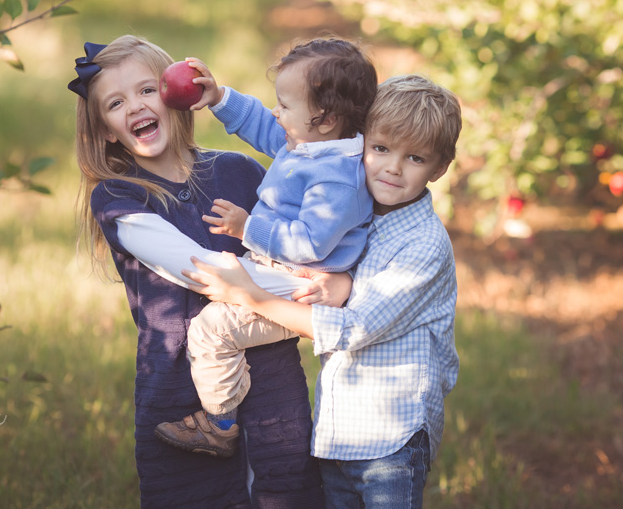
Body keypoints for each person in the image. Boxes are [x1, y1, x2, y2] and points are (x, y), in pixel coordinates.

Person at [181, 73, 462, 509]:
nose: (392, 167)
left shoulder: (422, 243)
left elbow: (352, 329)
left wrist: (249, 296)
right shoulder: (354, 201)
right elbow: (284, 133)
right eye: (382, 148)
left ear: (440, 168)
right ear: (360, 141)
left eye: (415, 158)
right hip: (339, 428)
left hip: (392, 436)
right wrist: (221, 99)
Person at [73, 36, 324, 509]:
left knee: (285, 485)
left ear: (175, 94)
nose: (135, 107)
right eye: (116, 102)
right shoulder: (120, 197)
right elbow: (200, 270)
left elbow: (302, 240)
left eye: (147, 91)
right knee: (196, 495)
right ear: (106, 129)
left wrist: (317, 273)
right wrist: (310, 288)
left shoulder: (238, 172)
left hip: (271, 373)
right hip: (179, 384)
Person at [154, 39, 376, 459]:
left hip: (298, 286)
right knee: (213, 282)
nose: (277, 112)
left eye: (286, 106)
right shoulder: (309, 144)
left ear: (325, 119)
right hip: (275, 270)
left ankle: (219, 423)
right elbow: (263, 125)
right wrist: (219, 98)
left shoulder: (336, 178)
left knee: (211, 328)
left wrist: (247, 227)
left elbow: (309, 242)